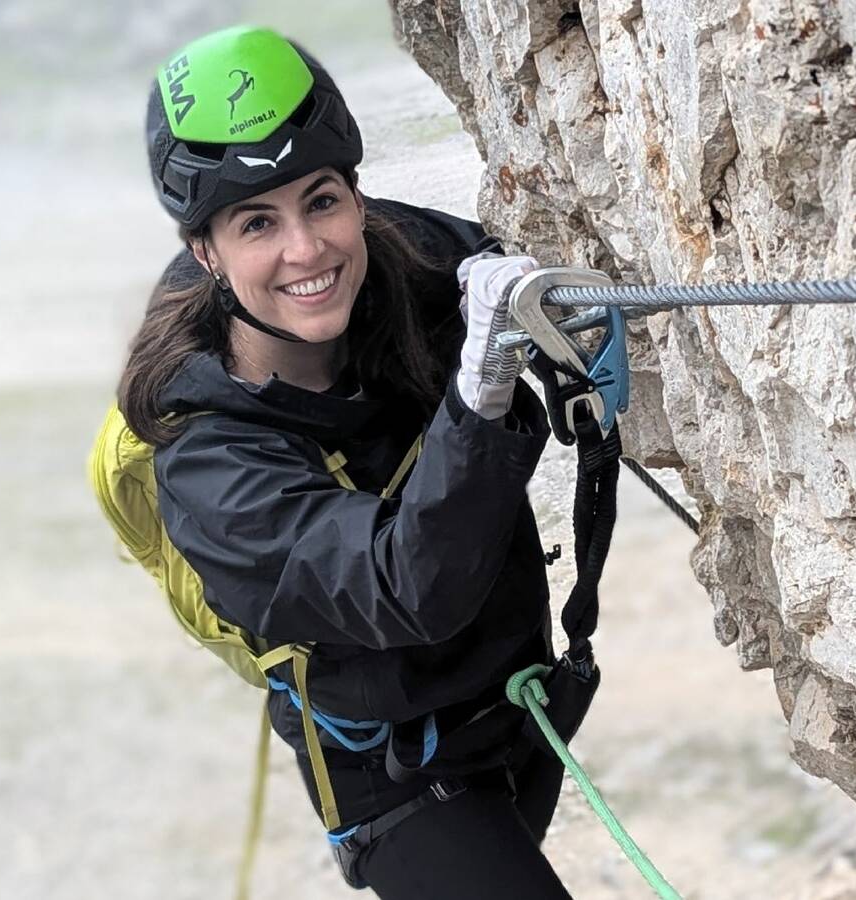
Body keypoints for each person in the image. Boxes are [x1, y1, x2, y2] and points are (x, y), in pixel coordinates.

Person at [118, 25, 575, 898]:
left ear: (355, 196)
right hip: (391, 780)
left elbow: (492, 265)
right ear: (204, 251)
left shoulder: (398, 260)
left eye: (321, 201)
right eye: (258, 223)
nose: (307, 249)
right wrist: (478, 395)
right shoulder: (206, 464)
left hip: (513, 707)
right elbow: (406, 585)